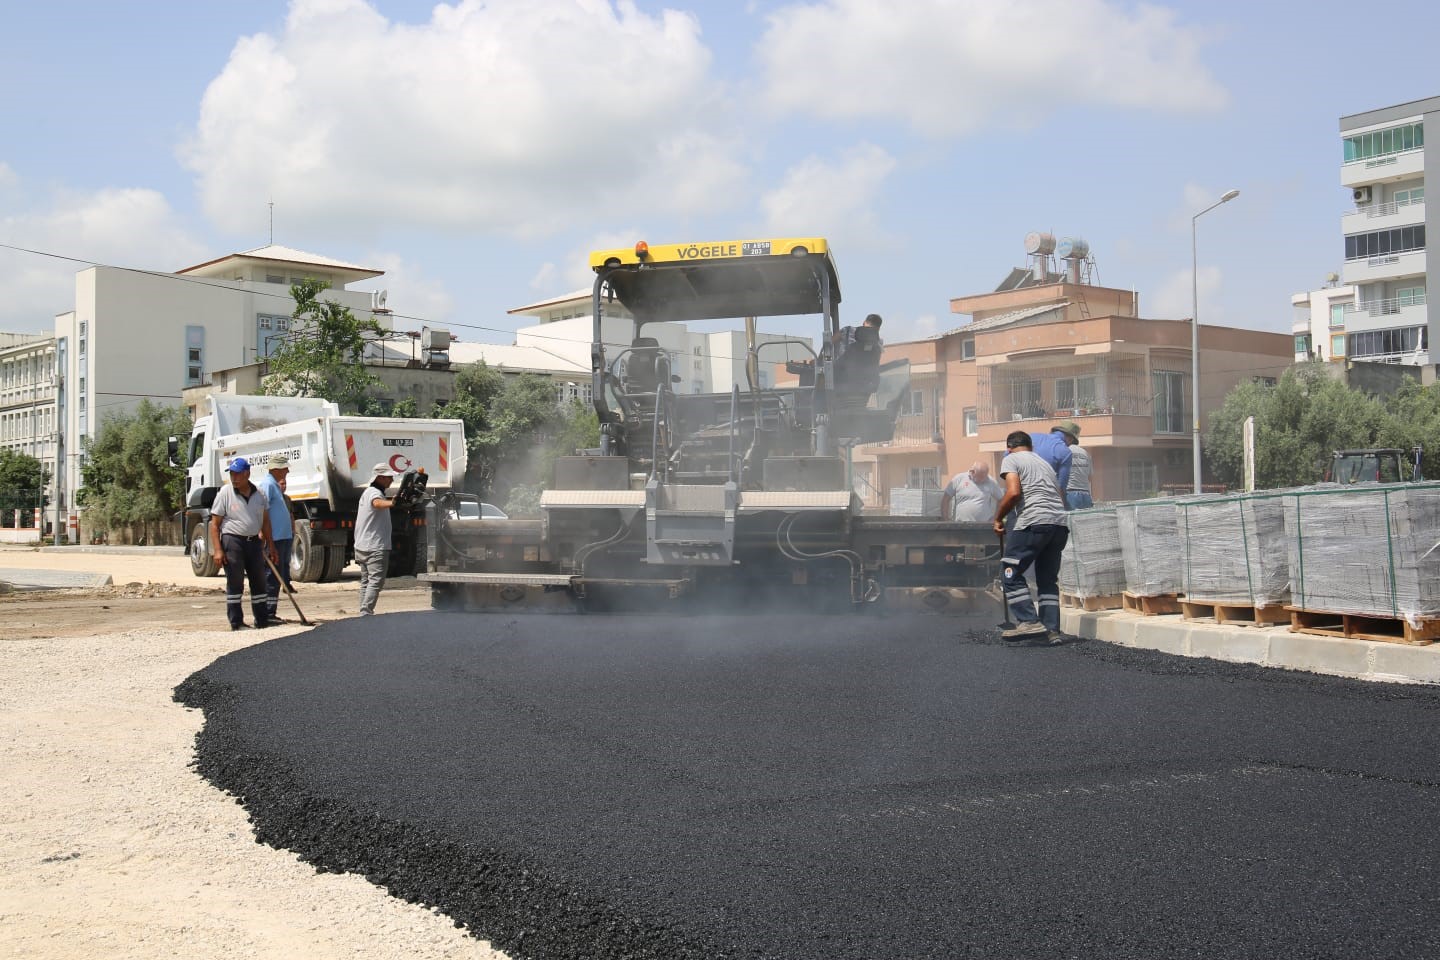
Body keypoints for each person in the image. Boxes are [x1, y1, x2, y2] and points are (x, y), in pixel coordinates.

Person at [994, 431, 1070, 643]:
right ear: (1031, 446)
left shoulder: (1011, 459)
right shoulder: (1044, 464)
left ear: (1009, 447)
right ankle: (1051, 630)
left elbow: (1014, 493)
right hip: (1058, 525)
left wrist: (998, 518)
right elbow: (1060, 494)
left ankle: (1028, 621)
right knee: (1047, 579)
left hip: (1033, 522)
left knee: (1010, 572)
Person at [209, 457, 276, 631]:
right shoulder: (225, 493)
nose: (234, 478)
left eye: (237, 474)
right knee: (235, 581)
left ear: (247, 474)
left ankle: (262, 620)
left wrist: (271, 545)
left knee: (259, 581)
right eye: (232, 474)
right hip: (233, 541)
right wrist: (218, 550)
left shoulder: (259, 494)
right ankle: (236, 622)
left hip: (254, 542)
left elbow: (266, 522)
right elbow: (214, 525)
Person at [354, 462, 397, 616]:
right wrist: (393, 503)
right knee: (375, 581)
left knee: (366, 581)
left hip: (362, 545)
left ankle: (363, 612)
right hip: (374, 546)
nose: (391, 480)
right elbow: (377, 503)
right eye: (388, 477)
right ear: (379, 478)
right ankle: (366, 612)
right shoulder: (374, 493)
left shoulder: (368, 492)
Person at [257, 454, 294, 623]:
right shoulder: (267, 485)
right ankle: (267, 613)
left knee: (277, 574)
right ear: (276, 469)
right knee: (271, 575)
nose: (287, 470)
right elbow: (260, 510)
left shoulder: (274, 485)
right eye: (285, 468)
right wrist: (264, 535)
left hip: (282, 537)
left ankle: (271, 611)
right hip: (275, 538)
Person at [1052, 420, 1093, 509]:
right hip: (1086, 495)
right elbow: (1089, 478)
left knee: (1070, 522)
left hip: (1070, 495)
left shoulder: (1063, 451)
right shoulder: (1085, 453)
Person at [1029, 425, 1073, 498]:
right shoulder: (1065, 451)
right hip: (1044, 497)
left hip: (1021, 494)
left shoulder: (1031, 436)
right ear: (1070, 439)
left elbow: (1008, 454)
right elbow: (1061, 487)